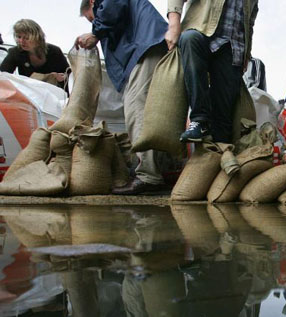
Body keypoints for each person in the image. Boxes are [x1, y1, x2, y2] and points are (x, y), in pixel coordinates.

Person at [76, 0, 169, 195]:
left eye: (91, 18)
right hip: (149, 46)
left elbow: (112, 9)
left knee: (136, 107)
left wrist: (96, 33)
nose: (94, 23)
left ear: (93, 2)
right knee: (153, 110)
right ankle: (156, 170)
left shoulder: (107, 3)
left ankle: (148, 176)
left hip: (144, 48)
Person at [166, 0, 259, 143]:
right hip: (202, 31)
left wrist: (247, 53)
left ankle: (220, 151)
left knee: (224, 119)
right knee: (190, 39)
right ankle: (199, 120)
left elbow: (250, 22)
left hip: (233, 47)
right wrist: (174, 25)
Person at [0, 19, 69, 90]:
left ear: (38, 37)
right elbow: (3, 75)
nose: (21, 41)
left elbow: (69, 74)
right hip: (29, 94)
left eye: (26, 38)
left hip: (54, 94)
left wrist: (63, 78)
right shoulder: (15, 52)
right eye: (19, 37)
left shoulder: (55, 51)